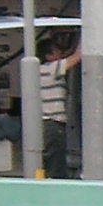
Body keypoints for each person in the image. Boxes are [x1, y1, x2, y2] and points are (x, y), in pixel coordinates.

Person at [36, 30, 78, 178]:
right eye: (57, 52)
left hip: (46, 125)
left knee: (50, 161)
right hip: (53, 125)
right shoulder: (50, 69)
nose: (61, 54)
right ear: (48, 56)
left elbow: (69, 55)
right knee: (56, 164)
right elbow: (76, 57)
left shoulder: (39, 71)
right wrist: (87, 34)